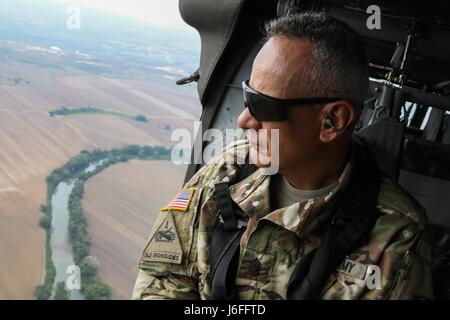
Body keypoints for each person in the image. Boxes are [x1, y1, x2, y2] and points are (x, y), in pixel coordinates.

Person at [132, 12, 433, 300]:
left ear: (333, 121)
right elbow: (162, 281)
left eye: (262, 105)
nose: (244, 120)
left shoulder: (397, 235)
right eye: (246, 96)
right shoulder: (229, 170)